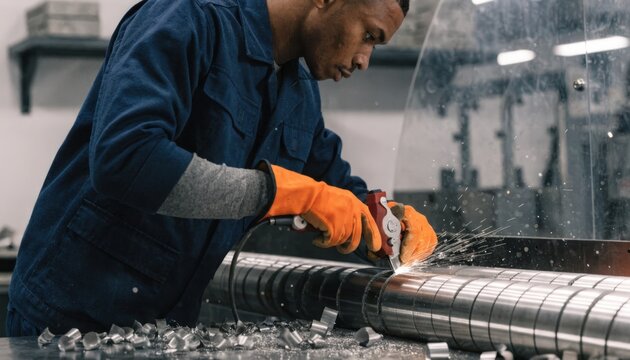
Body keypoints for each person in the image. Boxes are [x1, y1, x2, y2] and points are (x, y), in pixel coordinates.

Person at [8, 0, 437, 336]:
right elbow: (125, 158)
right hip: (66, 318)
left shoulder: (298, 93)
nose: (364, 59)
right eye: (369, 35)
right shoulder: (189, 18)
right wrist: (275, 193)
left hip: (162, 327)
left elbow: (335, 187)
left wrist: (385, 218)